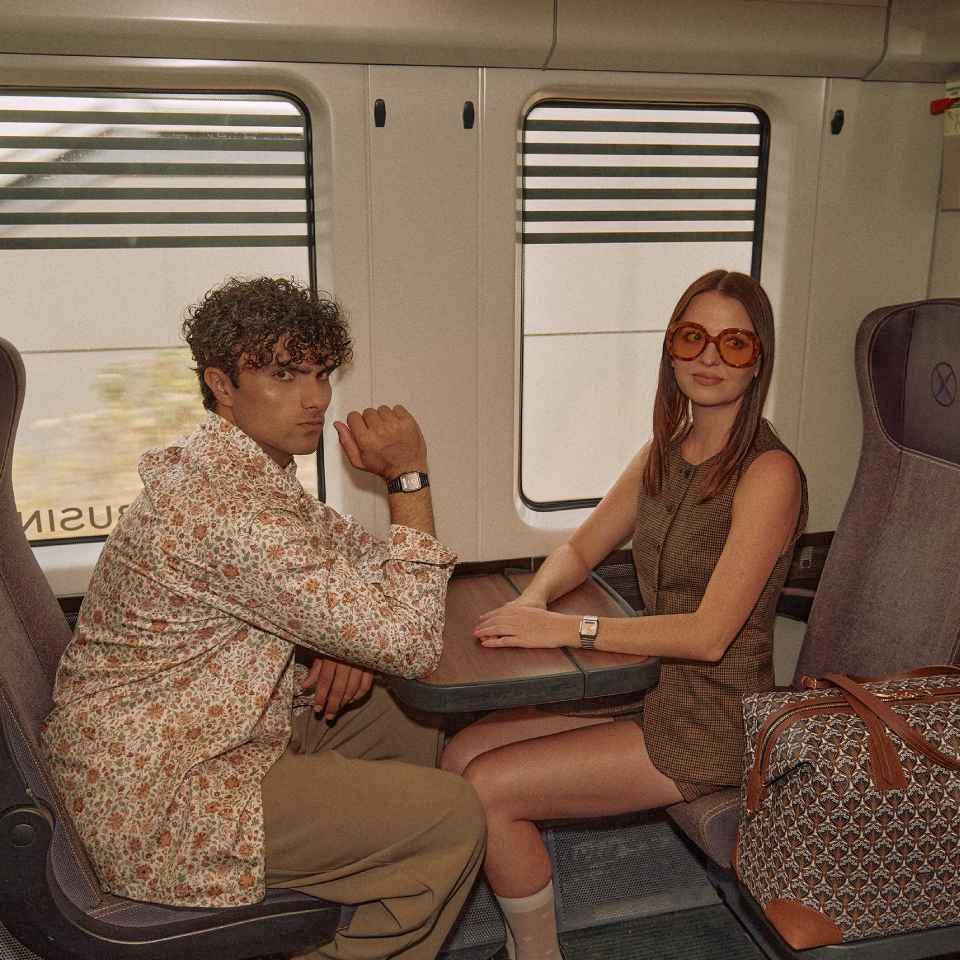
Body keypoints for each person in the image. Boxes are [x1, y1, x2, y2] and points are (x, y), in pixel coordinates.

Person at [42, 276, 485, 960]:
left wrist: (345, 640)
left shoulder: (244, 473)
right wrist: (408, 477)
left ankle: (347, 893)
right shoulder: (231, 510)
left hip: (199, 727)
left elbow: (359, 571)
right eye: (283, 375)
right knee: (452, 817)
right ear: (221, 385)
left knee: (402, 712)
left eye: (320, 373)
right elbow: (411, 639)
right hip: (160, 791)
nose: (315, 398)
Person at [442, 269, 806, 960]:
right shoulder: (666, 452)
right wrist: (533, 599)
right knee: (461, 752)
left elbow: (709, 636)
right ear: (671, 348)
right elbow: (581, 547)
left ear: (758, 361)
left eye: (734, 344)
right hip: (650, 688)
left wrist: (568, 629)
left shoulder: (768, 473)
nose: (709, 357)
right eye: (693, 337)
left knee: (489, 788)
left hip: (712, 719)